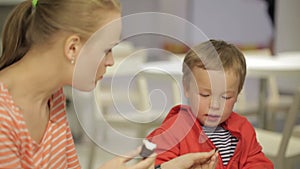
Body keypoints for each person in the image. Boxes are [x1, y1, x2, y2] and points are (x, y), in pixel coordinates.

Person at [0, 0, 219, 168]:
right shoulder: (3, 117)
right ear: (73, 48)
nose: (111, 61)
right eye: (106, 50)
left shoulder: (52, 96)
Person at [147, 40, 274, 169]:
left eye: (226, 97)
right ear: (186, 88)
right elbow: (153, 164)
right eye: (205, 95)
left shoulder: (243, 129)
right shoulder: (173, 130)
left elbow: (258, 163)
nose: (215, 105)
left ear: (237, 94)